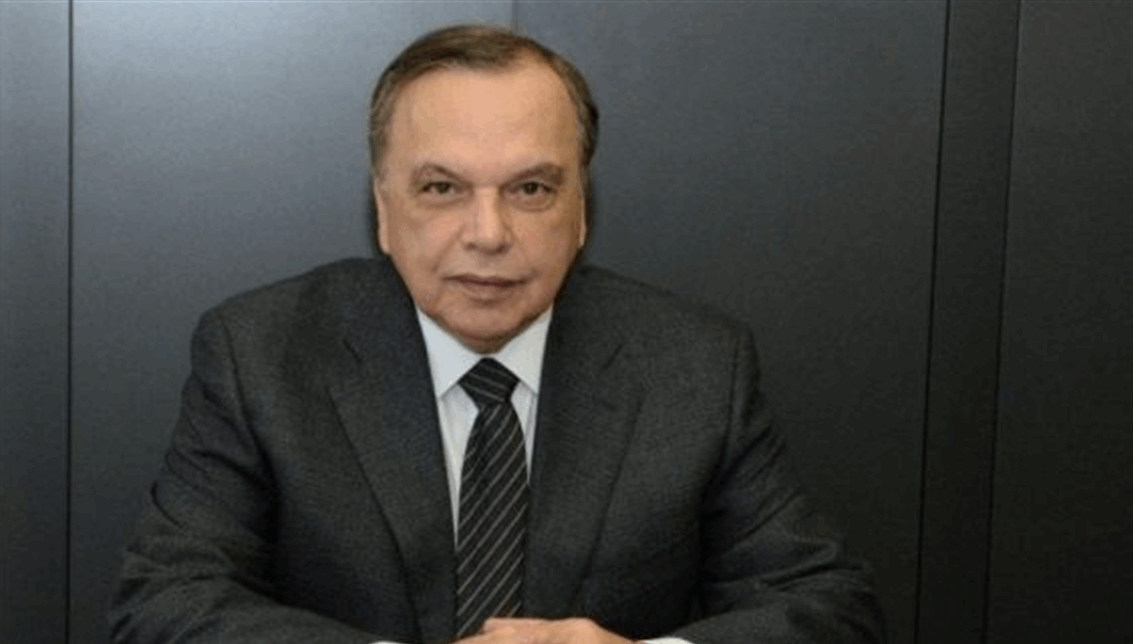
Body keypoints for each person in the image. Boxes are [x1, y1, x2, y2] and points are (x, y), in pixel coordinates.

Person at [110, 24, 884, 644]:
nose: (488, 233)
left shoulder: (696, 366)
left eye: (531, 188)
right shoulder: (261, 354)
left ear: (581, 211)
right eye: (442, 188)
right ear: (383, 208)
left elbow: (828, 607)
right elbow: (165, 601)